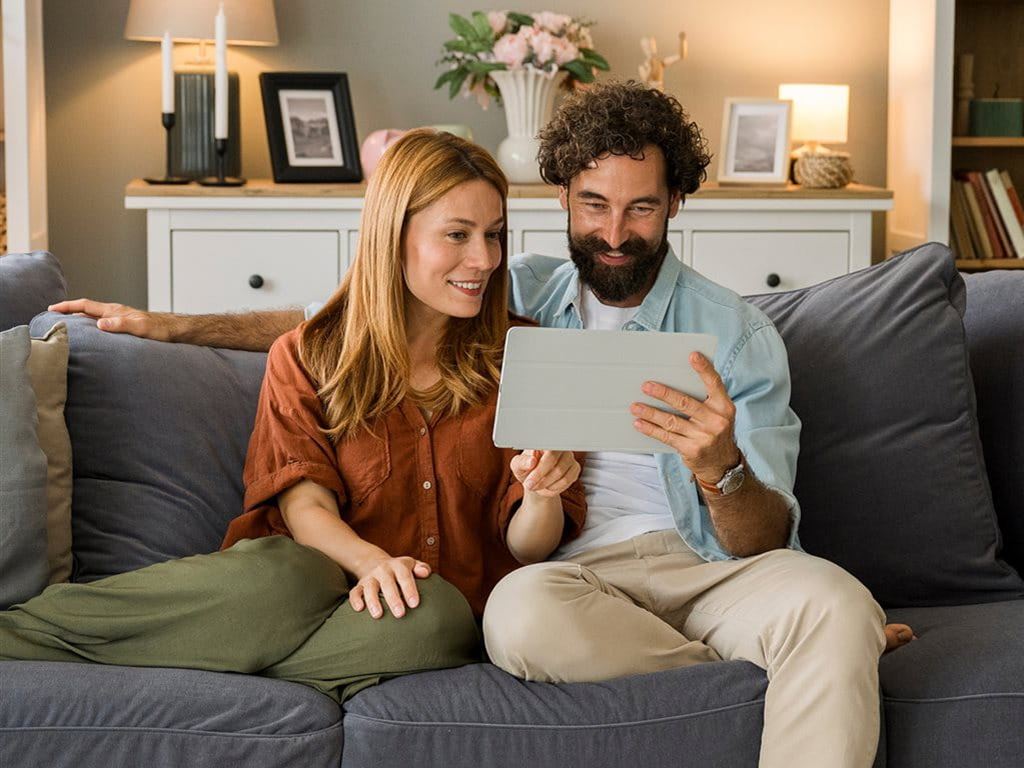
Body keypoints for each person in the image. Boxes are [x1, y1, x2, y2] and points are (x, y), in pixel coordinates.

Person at [51, 84, 913, 766]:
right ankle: (773, 670)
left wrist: (719, 466)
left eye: (642, 208)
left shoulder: (739, 336)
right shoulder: (512, 290)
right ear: (564, 198)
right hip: (573, 580)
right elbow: (350, 321)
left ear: (677, 203)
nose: (614, 233)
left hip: (715, 570)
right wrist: (170, 327)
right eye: (593, 205)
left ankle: (811, 645)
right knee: (513, 619)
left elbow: (763, 539)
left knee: (831, 599)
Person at [0, 128, 586, 704]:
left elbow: (529, 548)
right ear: (392, 237)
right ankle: (20, 634)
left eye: (494, 234)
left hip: (417, 615)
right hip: (302, 581)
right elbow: (304, 505)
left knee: (434, 616)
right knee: (285, 577)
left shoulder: (524, 356)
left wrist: (540, 494)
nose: (483, 259)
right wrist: (372, 563)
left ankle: (220, 670)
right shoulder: (308, 354)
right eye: (457, 234)